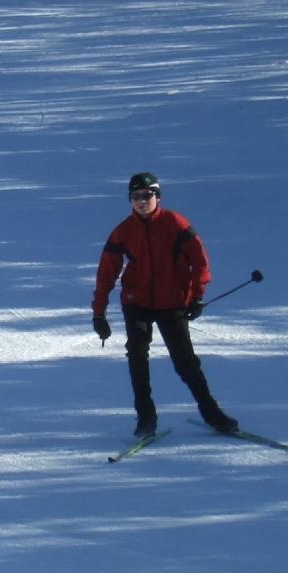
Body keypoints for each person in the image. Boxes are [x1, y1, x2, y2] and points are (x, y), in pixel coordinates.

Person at [91, 171, 239, 439]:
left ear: (157, 196)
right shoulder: (123, 231)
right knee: (137, 357)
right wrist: (99, 312)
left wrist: (196, 295)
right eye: (135, 197)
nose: (141, 201)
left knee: (185, 362)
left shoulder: (175, 223)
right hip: (137, 302)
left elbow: (200, 260)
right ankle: (146, 419)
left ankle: (212, 413)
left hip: (172, 302)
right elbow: (106, 273)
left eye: (147, 195)